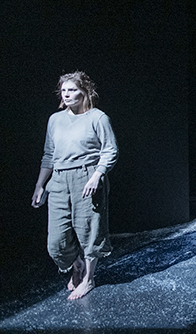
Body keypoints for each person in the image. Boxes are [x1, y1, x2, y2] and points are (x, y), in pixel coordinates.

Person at [31, 71, 118, 300]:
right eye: (63, 90)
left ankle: (88, 279)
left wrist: (97, 175)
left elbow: (110, 150)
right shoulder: (55, 119)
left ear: (85, 91)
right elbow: (49, 155)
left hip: (87, 177)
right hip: (59, 180)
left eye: (72, 90)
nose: (66, 94)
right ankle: (76, 264)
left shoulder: (98, 118)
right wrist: (40, 185)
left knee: (90, 231)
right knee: (56, 242)